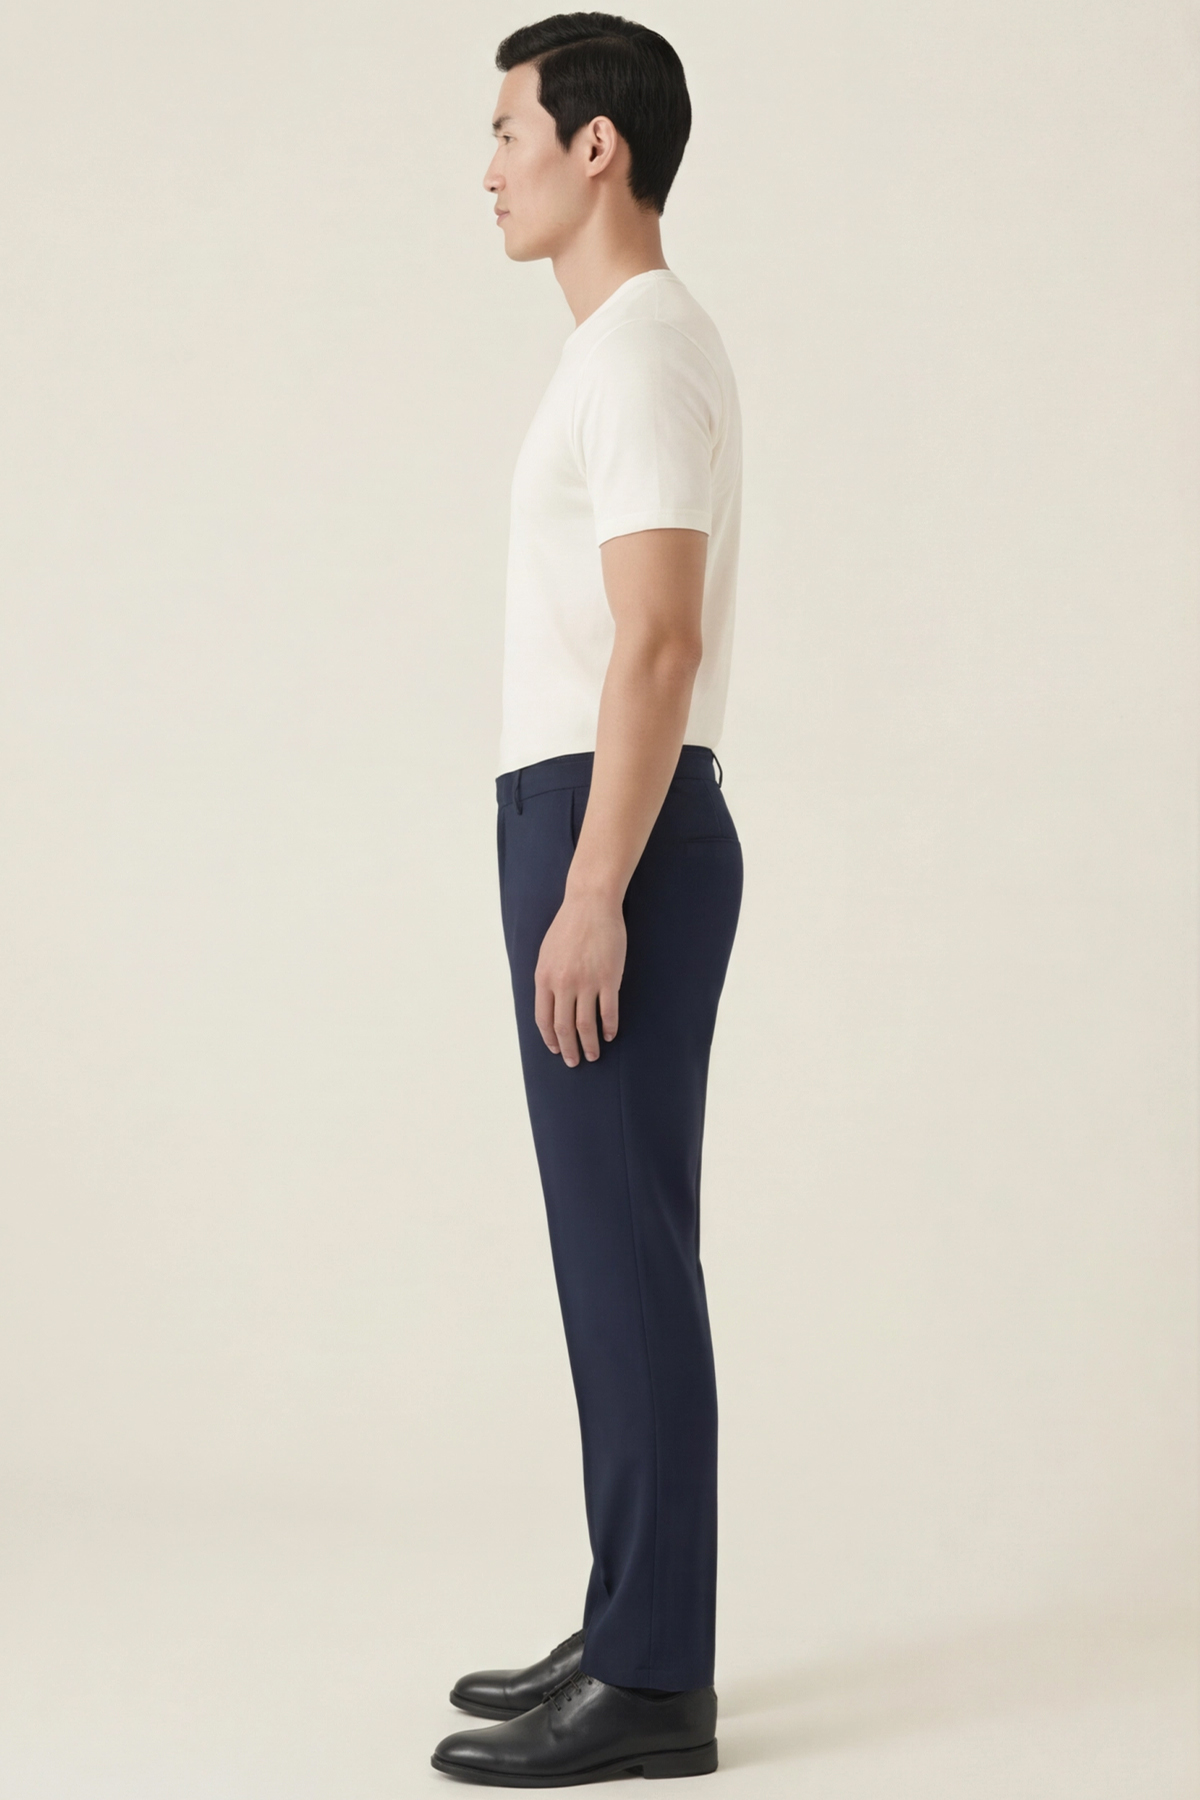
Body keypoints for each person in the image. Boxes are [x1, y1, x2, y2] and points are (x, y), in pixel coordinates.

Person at [431, 13, 743, 1785]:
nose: (488, 168)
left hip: (610, 827)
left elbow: (660, 643)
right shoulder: (619, 350)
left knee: (626, 1259)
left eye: (507, 131)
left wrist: (593, 885)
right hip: (586, 817)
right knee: (611, 1251)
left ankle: (653, 1681)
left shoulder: (638, 352)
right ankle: (634, 1610)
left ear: (594, 145)